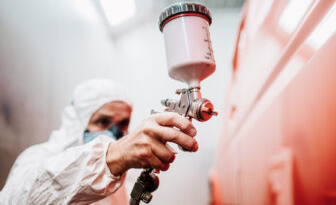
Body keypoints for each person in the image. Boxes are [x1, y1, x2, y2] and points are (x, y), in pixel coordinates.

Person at [0, 78, 198, 204]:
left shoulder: (119, 181)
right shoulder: (39, 158)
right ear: (78, 123)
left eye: (123, 124)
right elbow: (17, 198)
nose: (114, 132)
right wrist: (112, 156)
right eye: (103, 121)